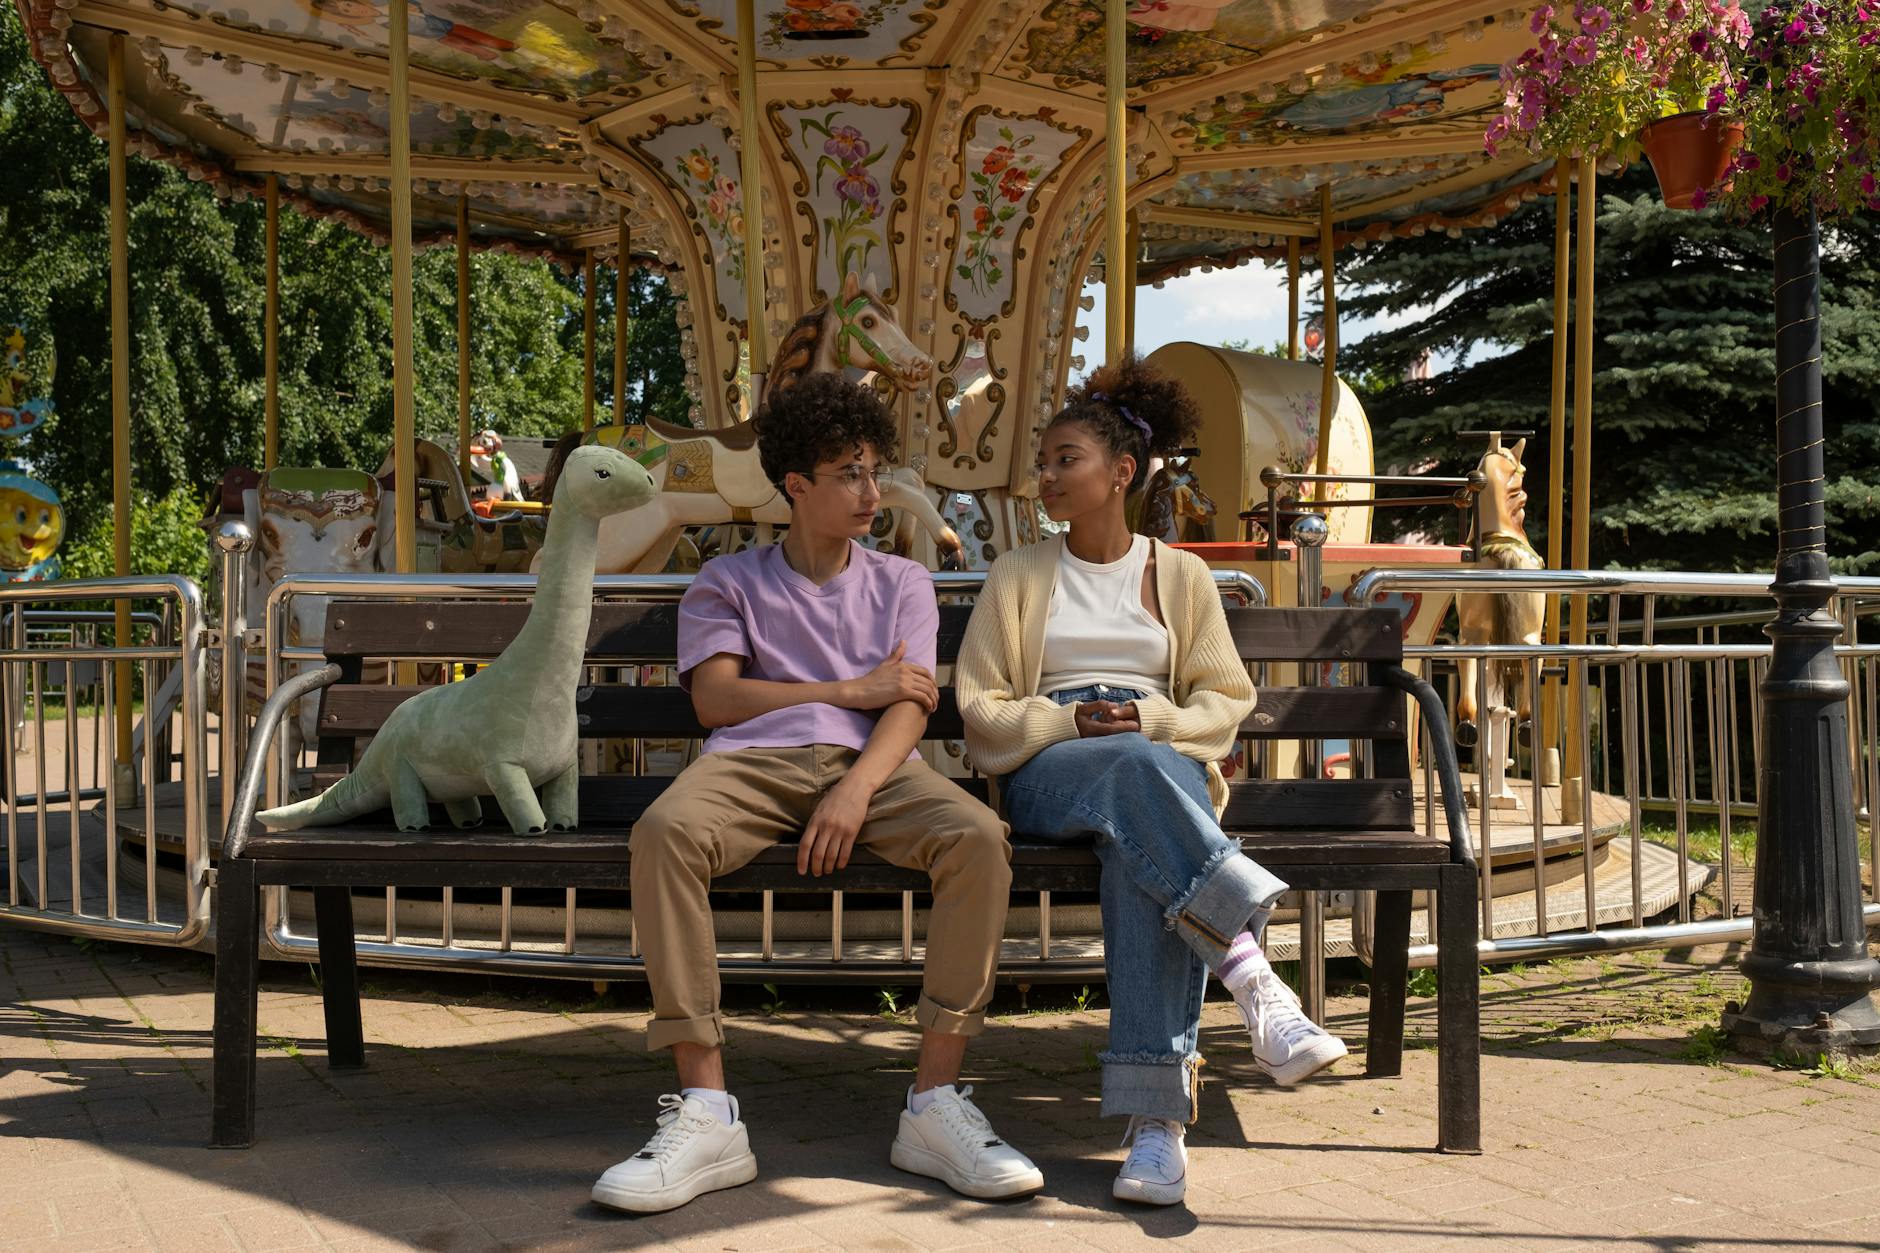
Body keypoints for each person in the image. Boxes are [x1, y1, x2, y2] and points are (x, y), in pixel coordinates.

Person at [593, 373, 1042, 1214]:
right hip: (750, 766)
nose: (872, 492)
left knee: (978, 838)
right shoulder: (728, 580)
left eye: (873, 469)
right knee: (664, 832)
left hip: (878, 770)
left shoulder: (902, 581)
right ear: (796, 485)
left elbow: (909, 703)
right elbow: (717, 702)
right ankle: (706, 1109)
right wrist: (846, 688)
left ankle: (934, 1102)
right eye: (849, 473)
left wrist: (854, 789)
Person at [955, 355, 1347, 1208]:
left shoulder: (1182, 576)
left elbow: (1226, 700)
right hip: (1049, 770)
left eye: (1067, 459)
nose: (1047, 475)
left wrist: (1153, 719)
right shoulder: (1020, 573)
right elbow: (982, 708)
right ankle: (1250, 969)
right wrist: (1068, 719)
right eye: (1045, 461)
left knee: (1141, 857)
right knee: (1135, 775)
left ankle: (1156, 1131)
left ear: (1122, 472)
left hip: (1156, 767)